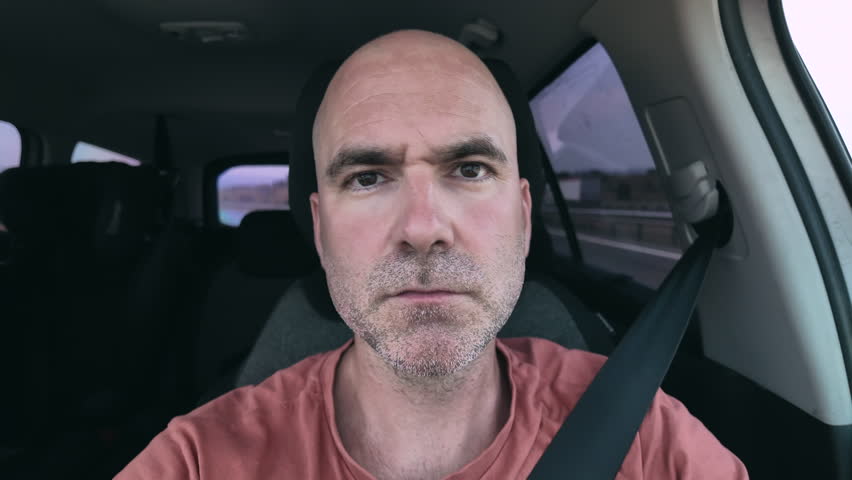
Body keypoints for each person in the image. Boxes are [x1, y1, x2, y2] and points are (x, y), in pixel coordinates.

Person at [116, 30, 748, 479]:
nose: (422, 228)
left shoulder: (642, 435)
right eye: (368, 177)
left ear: (523, 215)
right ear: (319, 229)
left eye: (469, 169)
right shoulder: (202, 460)